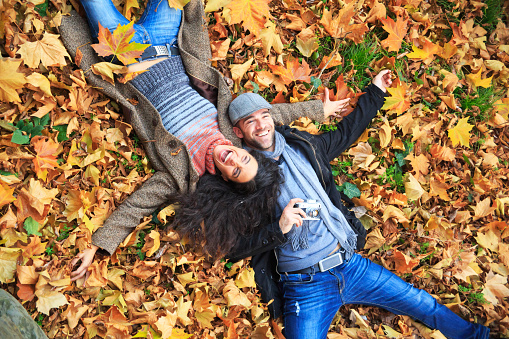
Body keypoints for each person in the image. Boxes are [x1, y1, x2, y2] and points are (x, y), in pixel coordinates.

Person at [59, 0, 350, 281]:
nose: (233, 159)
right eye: (244, 158)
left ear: (225, 179)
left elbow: (136, 207)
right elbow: (269, 116)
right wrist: (317, 110)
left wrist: (96, 247)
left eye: (235, 170)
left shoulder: (183, 174)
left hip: (125, 54)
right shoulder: (234, 133)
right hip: (168, 42)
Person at [225, 71, 491, 339]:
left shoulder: (305, 146)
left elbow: (346, 133)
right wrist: (279, 227)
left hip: (350, 263)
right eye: (250, 121)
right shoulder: (243, 178)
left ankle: (479, 336)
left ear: (273, 118)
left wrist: (375, 92)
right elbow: (235, 248)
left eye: (265, 116)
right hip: (305, 285)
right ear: (238, 132)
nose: (261, 126)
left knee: (422, 302)